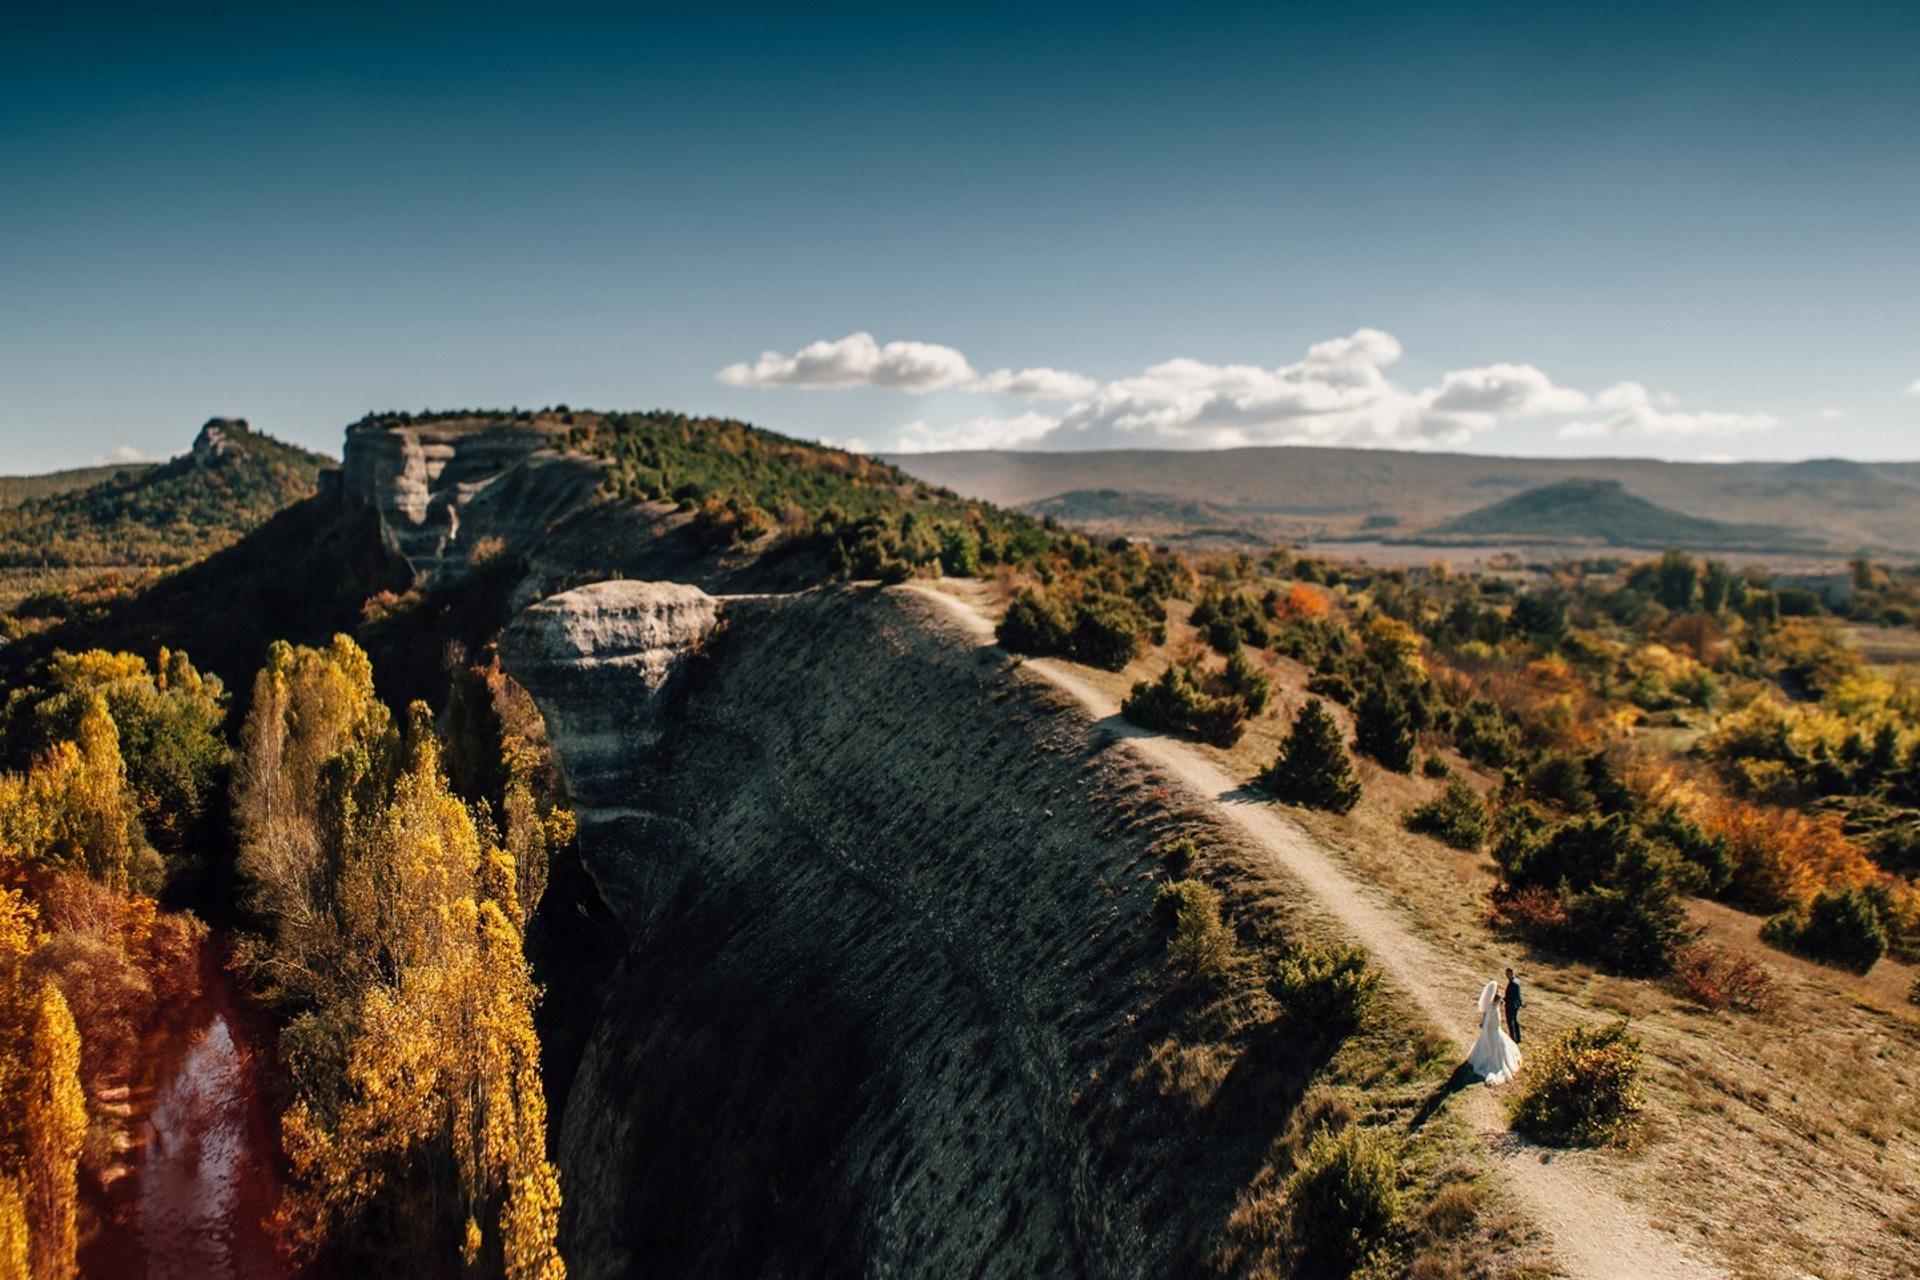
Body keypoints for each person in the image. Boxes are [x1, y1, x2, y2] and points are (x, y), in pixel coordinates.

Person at [1467, 980, 1522, 1084]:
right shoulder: (1499, 996)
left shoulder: (1489, 999)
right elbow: (1502, 1002)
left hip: (1490, 1019)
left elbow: (1485, 1011)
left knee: (1490, 1036)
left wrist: (1483, 1022)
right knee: (1497, 1034)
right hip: (1496, 1018)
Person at [1504, 967, 1522, 1045]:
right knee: (1514, 1022)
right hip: (1515, 1004)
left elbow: (1510, 996)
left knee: (1511, 1022)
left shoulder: (1513, 983)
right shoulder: (1516, 981)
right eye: (1506, 974)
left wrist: (1503, 1000)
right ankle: (1517, 1038)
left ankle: (1513, 1038)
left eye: (1508, 974)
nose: (1507, 976)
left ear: (1511, 973)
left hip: (1511, 1005)